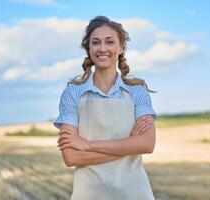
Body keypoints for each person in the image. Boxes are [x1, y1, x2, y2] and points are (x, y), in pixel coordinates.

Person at [54, 15, 156, 200]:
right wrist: (128, 145)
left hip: (135, 193)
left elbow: (147, 144)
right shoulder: (72, 94)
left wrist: (87, 145)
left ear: (121, 47)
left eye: (109, 42)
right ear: (89, 48)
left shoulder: (138, 92)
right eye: (95, 42)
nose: (102, 49)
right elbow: (71, 157)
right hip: (89, 194)